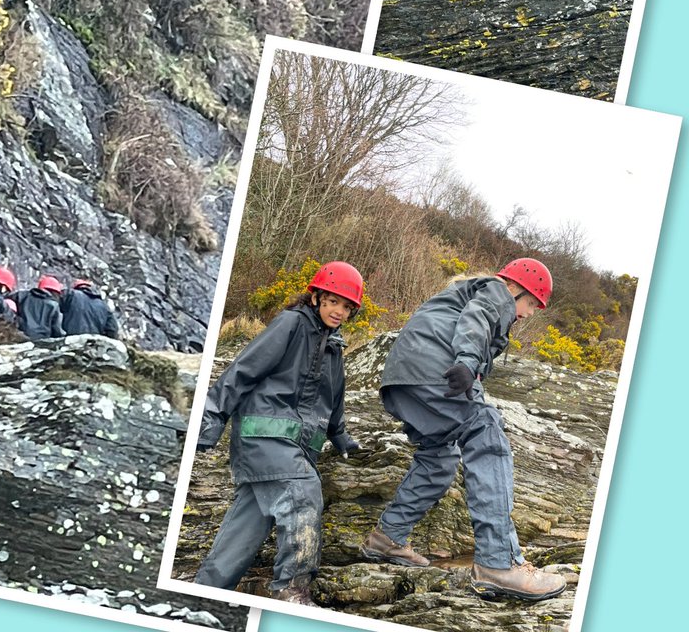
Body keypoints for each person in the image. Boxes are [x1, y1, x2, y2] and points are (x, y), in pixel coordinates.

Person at [361, 258, 566, 603]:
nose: (530, 313)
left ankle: (388, 537)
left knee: (438, 458)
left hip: (402, 378)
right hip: (433, 371)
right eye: (531, 303)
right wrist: (468, 363)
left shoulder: (461, 292)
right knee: (486, 432)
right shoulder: (497, 291)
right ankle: (499, 563)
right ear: (516, 287)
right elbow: (478, 318)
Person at [194, 262, 364, 605]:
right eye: (333, 302)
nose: (339, 311)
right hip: (265, 436)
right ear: (316, 297)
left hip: (294, 448)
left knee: (243, 532)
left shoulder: (334, 346)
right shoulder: (291, 323)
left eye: (347, 307)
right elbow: (243, 370)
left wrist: (341, 436)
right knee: (303, 494)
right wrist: (209, 420)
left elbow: (334, 399)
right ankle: (292, 592)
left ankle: (200, 596)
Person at [15, 274, 65, 340]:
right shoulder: (54, 305)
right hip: (42, 341)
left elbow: (6, 300)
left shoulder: (22, 296)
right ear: (55, 292)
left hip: (23, 336)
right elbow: (57, 330)